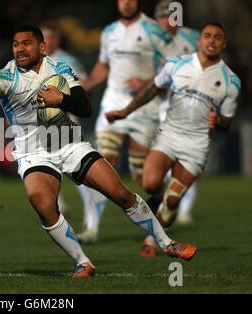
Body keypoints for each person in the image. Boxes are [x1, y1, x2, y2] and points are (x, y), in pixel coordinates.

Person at [0, 25, 197, 278]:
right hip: (33, 153)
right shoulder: (5, 75)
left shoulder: (60, 69)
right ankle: (83, 263)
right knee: (42, 203)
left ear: (41, 47)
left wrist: (60, 99)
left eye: (26, 43)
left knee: (120, 193)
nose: (19, 49)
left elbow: (84, 107)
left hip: (71, 144)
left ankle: (167, 243)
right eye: (16, 44)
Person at [106, 22, 240, 256]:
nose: (211, 40)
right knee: (149, 184)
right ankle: (162, 194)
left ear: (224, 44)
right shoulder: (178, 64)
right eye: (207, 36)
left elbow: (227, 123)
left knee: (174, 201)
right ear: (199, 40)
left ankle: (152, 240)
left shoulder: (230, 81)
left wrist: (217, 121)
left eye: (217, 37)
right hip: (169, 136)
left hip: (196, 146)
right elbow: (152, 89)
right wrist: (126, 111)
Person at [79, 0, 179, 243]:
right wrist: (87, 84)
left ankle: (165, 192)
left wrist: (147, 81)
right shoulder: (109, 32)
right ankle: (91, 228)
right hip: (113, 103)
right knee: (102, 164)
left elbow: (175, 67)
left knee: (143, 178)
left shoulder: (155, 31)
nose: (126, 3)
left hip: (144, 108)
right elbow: (103, 66)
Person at [40, 22, 106, 233]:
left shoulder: (67, 61)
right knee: (43, 167)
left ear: (56, 41)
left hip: (64, 121)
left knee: (78, 172)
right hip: (38, 125)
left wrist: (65, 101)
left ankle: (91, 219)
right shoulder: (31, 63)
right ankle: (61, 207)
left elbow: (82, 87)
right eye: (43, 38)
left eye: (50, 38)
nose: (47, 42)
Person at [155, 0, 200, 226]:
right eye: (164, 16)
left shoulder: (193, 38)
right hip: (161, 106)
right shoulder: (152, 41)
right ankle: (171, 203)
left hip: (192, 107)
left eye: (172, 16)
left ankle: (183, 209)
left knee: (188, 158)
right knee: (164, 159)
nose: (168, 21)